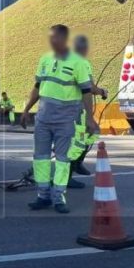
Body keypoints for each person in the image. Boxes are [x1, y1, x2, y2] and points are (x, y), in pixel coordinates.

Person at [20, 24, 98, 213]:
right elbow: (38, 87)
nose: (52, 41)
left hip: (65, 120)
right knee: (40, 158)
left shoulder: (77, 62)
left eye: (55, 38)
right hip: (43, 119)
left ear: (64, 39)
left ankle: (58, 197)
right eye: (50, 38)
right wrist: (26, 110)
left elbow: (87, 92)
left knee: (62, 160)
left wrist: (89, 118)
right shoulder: (45, 59)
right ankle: (42, 195)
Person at [67, 34, 109, 185]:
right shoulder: (82, 63)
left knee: (80, 139)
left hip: (63, 108)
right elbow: (89, 87)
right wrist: (102, 92)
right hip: (76, 109)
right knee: (83, 138)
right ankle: (70, 172)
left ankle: (77, 164)